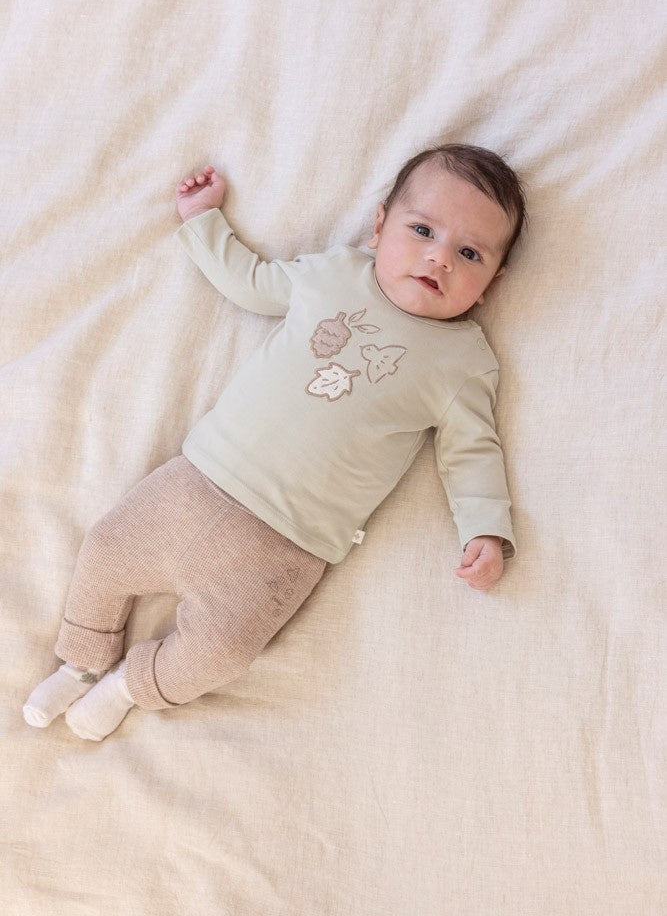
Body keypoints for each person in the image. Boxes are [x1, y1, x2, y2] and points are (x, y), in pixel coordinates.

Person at [23, 143, 525, 741]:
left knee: (225, 650)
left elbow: (472, 453)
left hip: (289, 543)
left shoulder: (463, 362)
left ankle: (130, 687)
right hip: (201, 479)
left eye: (469, 253)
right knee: (107, 549)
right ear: (379, 225)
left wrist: (485, 531)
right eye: (422, 230)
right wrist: (205, 222)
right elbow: (253, 283)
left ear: (492, 282)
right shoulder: (335, 275)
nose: (439, 257)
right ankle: (81, 662)